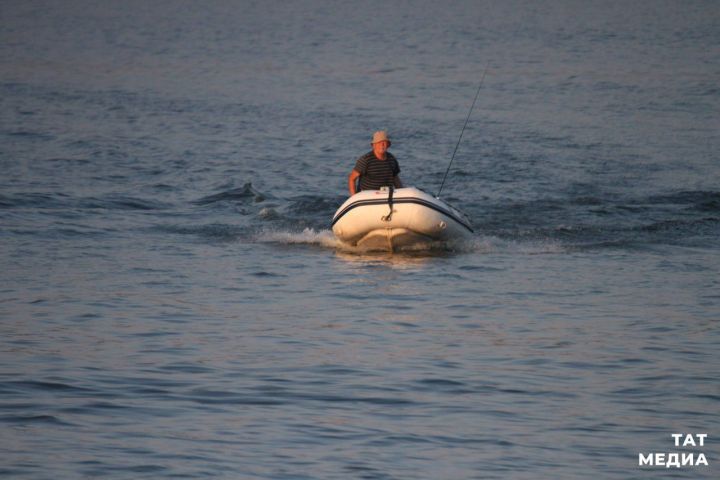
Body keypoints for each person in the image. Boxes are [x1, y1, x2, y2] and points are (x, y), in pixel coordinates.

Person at [347, 131, 403, 195]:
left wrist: (401, 193)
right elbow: (352, 179)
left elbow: (395, 178)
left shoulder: (392, 159)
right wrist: (353, 197)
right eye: (379, 143)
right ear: (374, 145)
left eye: (384, 142)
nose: (382, 145)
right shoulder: (365, 160)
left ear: (387, 145)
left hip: (387, 195)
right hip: (367, 196)